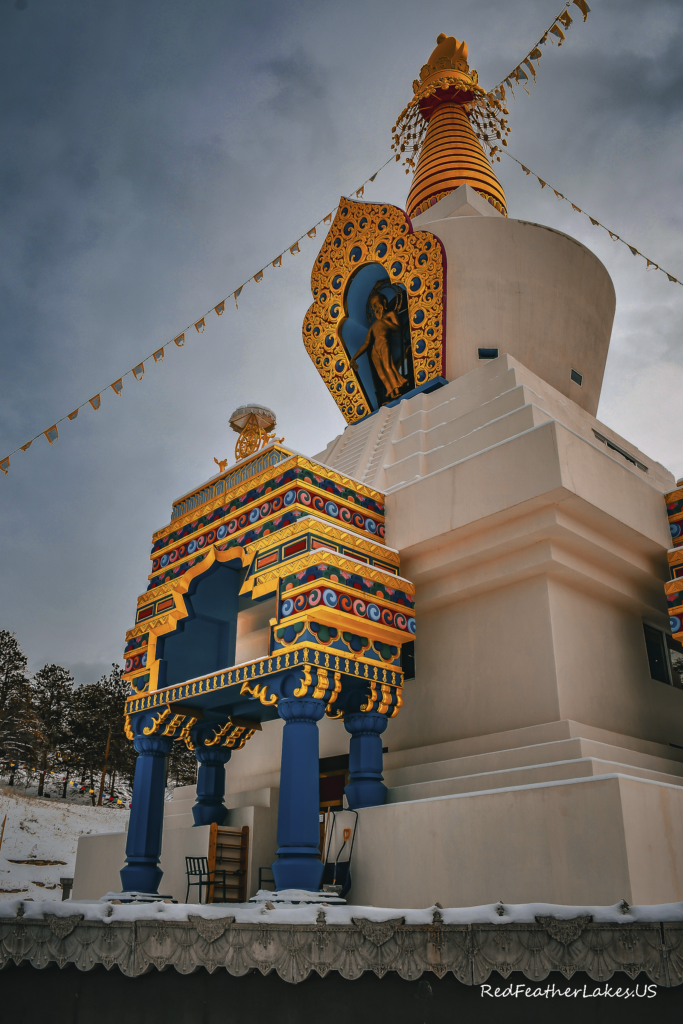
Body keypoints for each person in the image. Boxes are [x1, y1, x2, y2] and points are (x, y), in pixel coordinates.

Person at [350, 291, 407, 401]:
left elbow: (398, 328)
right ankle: (391, 394)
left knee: (387, 366)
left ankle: (397, 391)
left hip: (384, 343)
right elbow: (366, 343)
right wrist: (354, 357)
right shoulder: (373, 326)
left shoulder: (390, 315)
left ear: (383, 302)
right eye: (373, 306)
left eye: (376, 303)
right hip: (374, 350)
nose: (375, 307)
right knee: (381, 373)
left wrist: (384, 320)